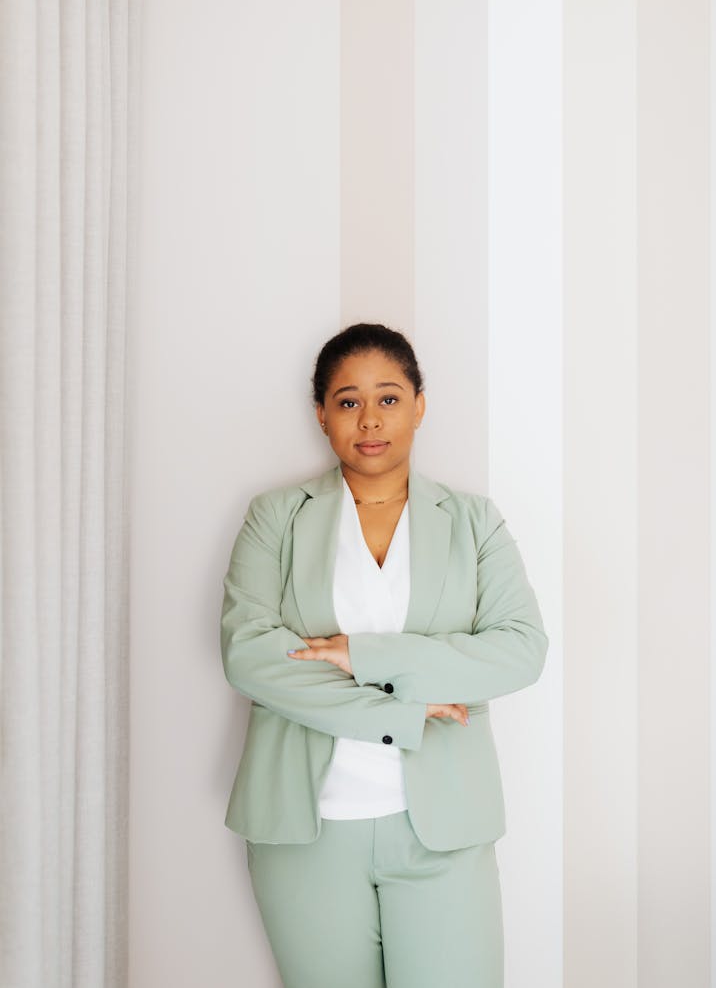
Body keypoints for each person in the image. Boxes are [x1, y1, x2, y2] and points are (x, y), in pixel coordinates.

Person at [220, 323, 548, 988]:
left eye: (389, 397)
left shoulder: (473, 520)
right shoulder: (275, 516)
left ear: (420, 405)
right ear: (321, 414)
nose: (369, 418)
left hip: (443, 828)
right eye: (347, 400)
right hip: (303, 833)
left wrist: (362, 654)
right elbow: (250, 656)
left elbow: (519, 649)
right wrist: (402, 711)